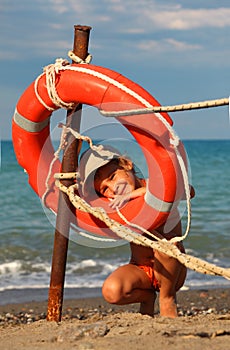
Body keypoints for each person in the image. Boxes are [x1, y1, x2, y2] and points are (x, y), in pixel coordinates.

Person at [79, 145, 194, 318]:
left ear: (127, 164)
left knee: (166, 245)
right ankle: (147, 297)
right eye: (104, 189)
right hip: (141, 269)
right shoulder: (116, 206)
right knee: (112, 291)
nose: (113, 189)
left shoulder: (156, 187)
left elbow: (189, 191)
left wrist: (133, 195)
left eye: (112, 177)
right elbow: (80, 199)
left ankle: (167, 299)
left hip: (172, 269)